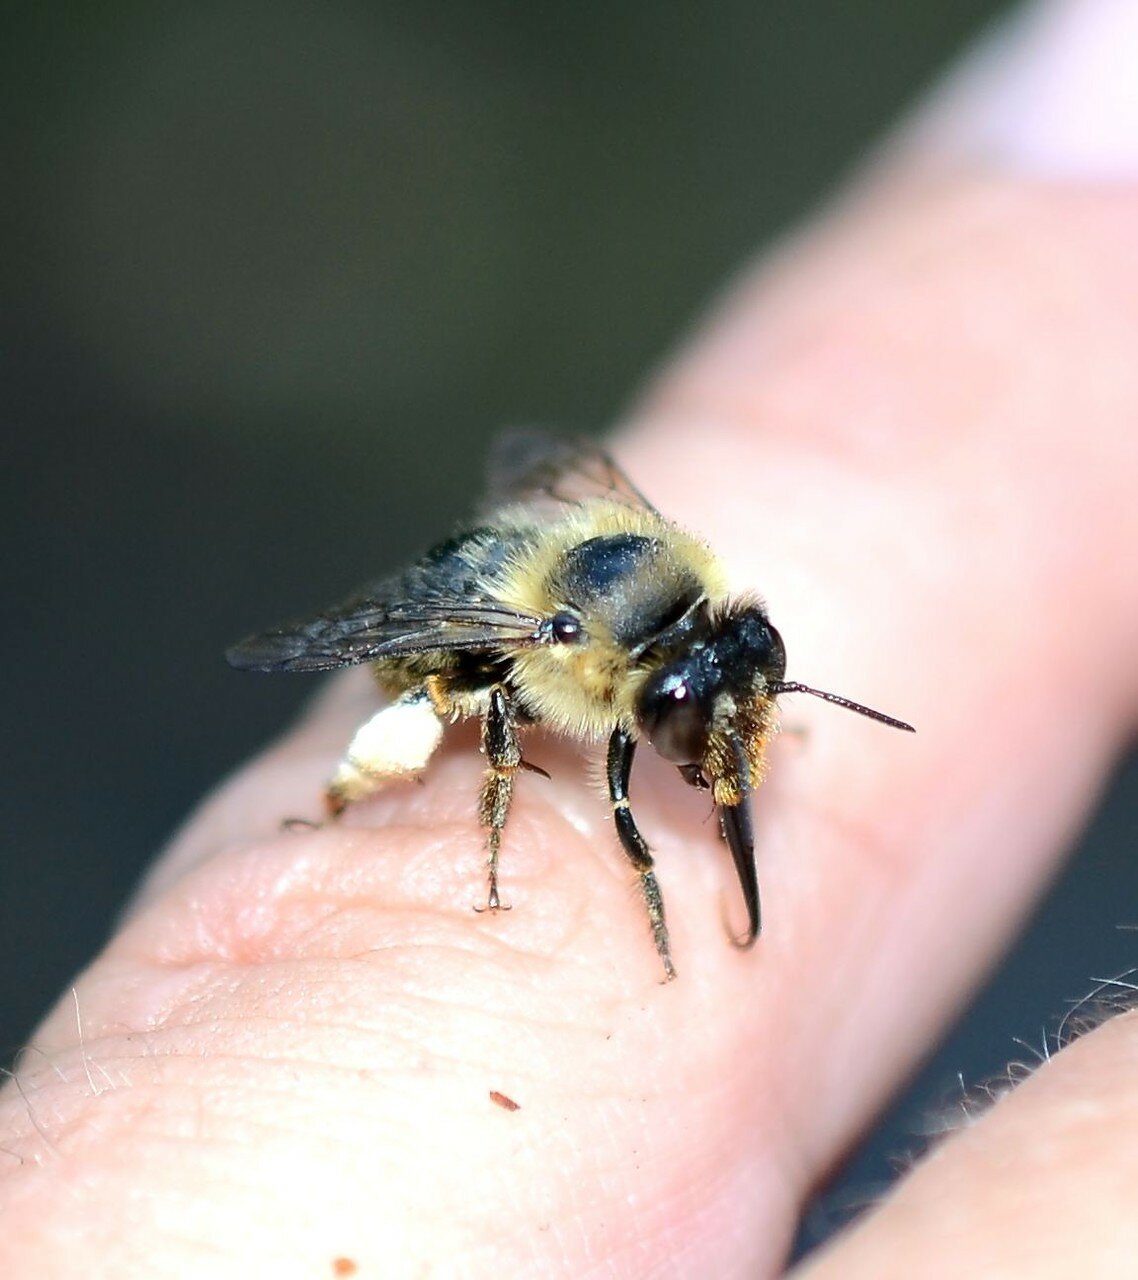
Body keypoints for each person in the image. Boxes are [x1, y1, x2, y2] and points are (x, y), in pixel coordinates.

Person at [2, 1, 1135, 1273]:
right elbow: (554, 662)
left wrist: (745, 710)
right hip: (472, 614)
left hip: (545, 563)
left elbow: (561, 475)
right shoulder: (566, 657)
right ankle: (488, 824)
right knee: (496, 712)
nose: (722, 732)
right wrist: (555, 860)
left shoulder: (676, 582)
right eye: (703, 720)